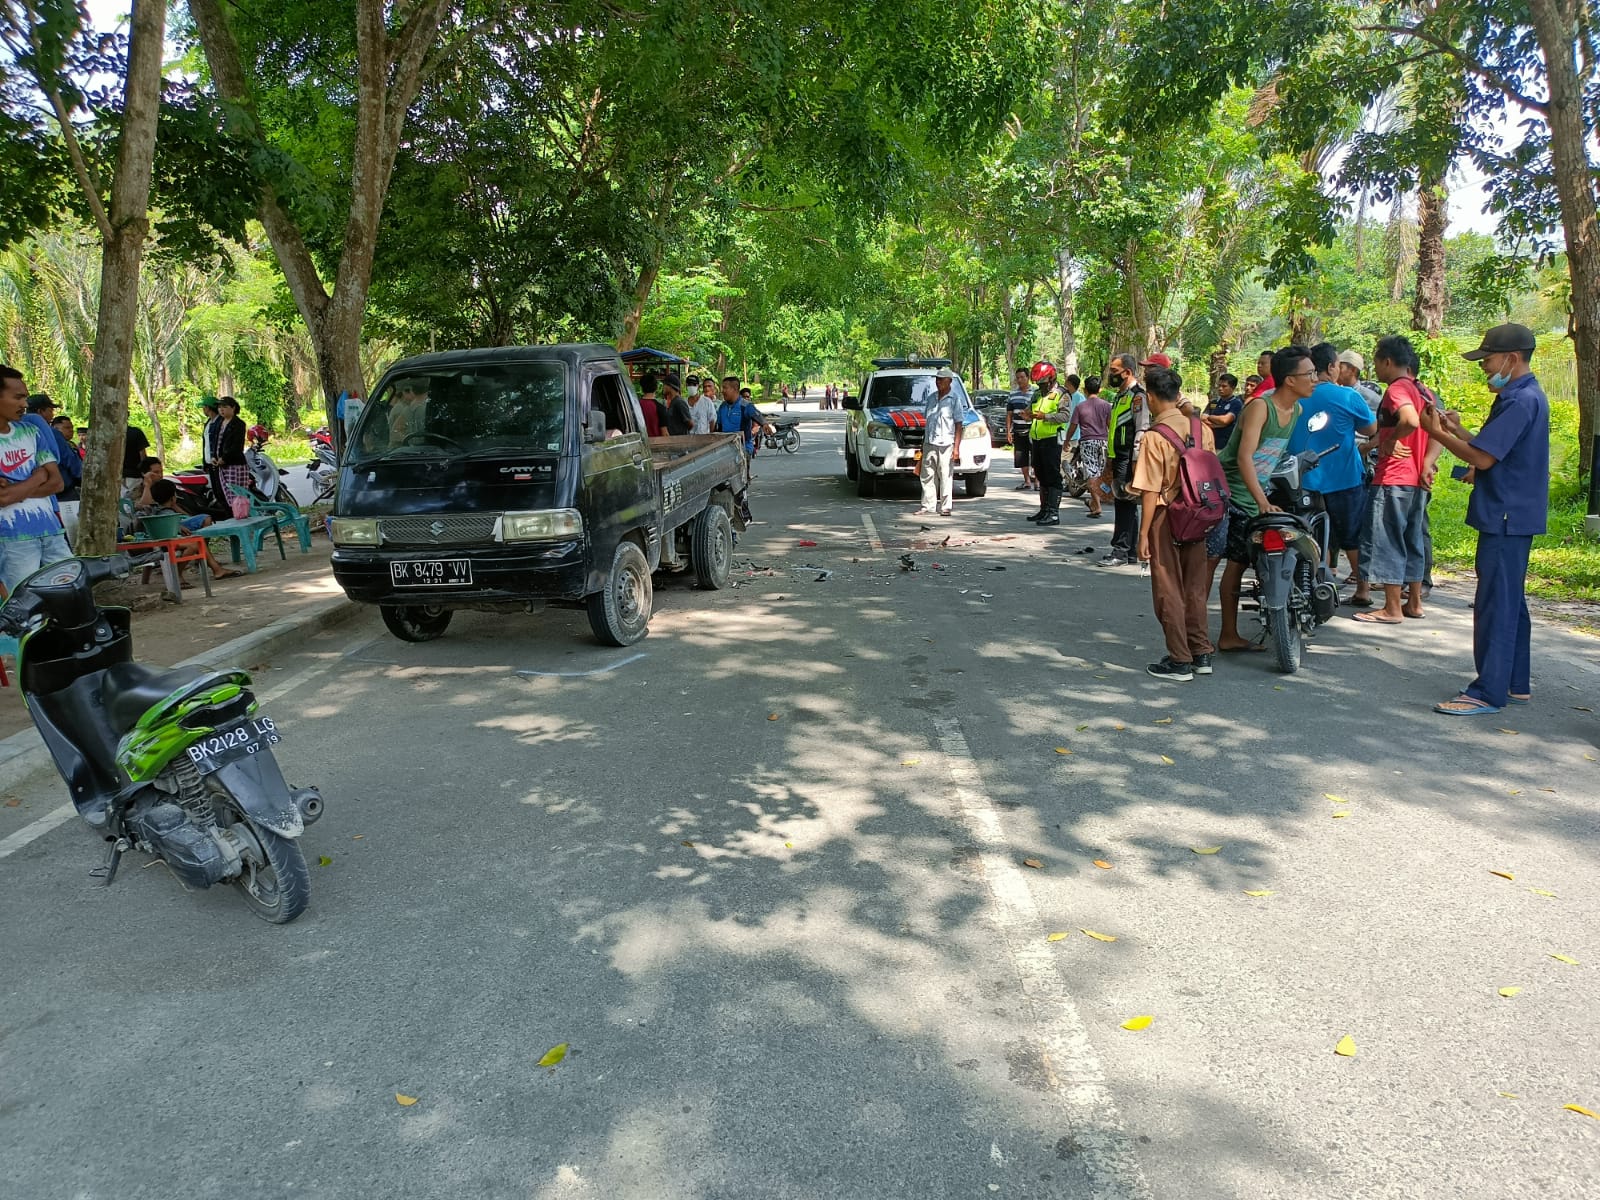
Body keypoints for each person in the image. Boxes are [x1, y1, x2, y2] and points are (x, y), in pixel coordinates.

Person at [1420, 324, 1549, 715]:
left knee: (1495, 601)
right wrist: (1457, 429)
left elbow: (1482, 459)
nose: (1483, 367)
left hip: (1506, 515)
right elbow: (1493, 448)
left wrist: (1436, 435)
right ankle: (1514, 682)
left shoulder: (1519, 401)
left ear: (1511, 359)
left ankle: (1487, 691)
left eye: (1487, 360)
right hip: (1513, 512)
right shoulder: (1521, 395)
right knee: (1511, 600)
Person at [1213, 345, 1310, 652]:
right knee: (1237, 563)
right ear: (1290, 380)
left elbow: (1271, 457)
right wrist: (1262, 501)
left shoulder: (1296, 410)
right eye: (1309, 374)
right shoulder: (1259, 407)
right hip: (1234, 491)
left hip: (1258, 491)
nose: (1314, 379)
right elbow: (1244, 458)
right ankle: (1227, 633)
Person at [1135, 366, 1217, 680]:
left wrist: (1143, 534)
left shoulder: (1155, 437)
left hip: (1166, 516)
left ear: (1152, 397)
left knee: (1168, 588)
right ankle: (1201, 653)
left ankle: (1179, 660)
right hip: (1200, 511)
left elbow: (1150, 488)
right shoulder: (1201, 428)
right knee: (1195, 586)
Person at [1349, 335, 1435, 624]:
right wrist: (1426, 464)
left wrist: (1390, 442)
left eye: (1376, 361)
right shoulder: (1424, 391)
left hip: (1394, 477)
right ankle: (1414, 602)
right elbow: (1440, 431)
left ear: (1387, 361)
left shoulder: (1397, 389)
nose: (1375, 367)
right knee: (1413, 538)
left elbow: (1408, 420)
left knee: (1387, 538)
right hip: (1417, 478)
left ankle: (1391, 607)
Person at [1290, 343, 1378, 588]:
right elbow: (1370, 429)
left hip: (1301, 479)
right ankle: (1362, 589)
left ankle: (1317, 584)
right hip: (1343, 478)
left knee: (1312, 536)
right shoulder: (1348, 396)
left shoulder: (1294, 395)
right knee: (1352, 535)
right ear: (1330, 367)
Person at [0, 364, 68, 593]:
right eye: (18, 397)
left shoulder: (31, 432)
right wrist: (38, 476)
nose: (24, 404)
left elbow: (57, 483)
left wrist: (16, 490)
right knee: (24, 609)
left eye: (26, 398)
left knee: (71, 594)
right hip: (11, 538)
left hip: (52, 531)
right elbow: (2, 498)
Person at [139, 479, 244, 580]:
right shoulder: (167, 514)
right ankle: (179, 574)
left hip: (165, 541)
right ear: (173, 497)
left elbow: (185, 518)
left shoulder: (158, 510)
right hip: (168, 543)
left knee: (198, 537)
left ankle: (216, 569)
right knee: (196, 543)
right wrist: (178, 526)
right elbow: (171, 532)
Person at [1101, 352, 1148, 565]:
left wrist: (1137, 462)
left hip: (1129, 458)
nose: (1111, 375)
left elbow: (1141, 430)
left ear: (1127, 372)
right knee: (1126, 504)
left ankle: (1119, 550)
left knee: (1123, 504)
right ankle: (1129, 551)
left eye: (1114, 371)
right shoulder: (1121, 396)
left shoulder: (1138, 396)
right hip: (1117, 456)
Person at [917, 367, 965, 517]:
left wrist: (956, 447)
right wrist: (923, 445)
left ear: (949, 381)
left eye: (941, 379)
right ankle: (928, 506)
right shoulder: (931, 398)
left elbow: (959, 424)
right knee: (927, 475)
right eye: (937, 379)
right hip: (930, 441)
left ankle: (945, 506)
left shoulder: (955, 399)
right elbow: (928, 422)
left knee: (945, 475)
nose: (938, 382)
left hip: (946, 443)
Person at [1024, 362, 1065, 525]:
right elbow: (1030, 410)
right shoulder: (1037, 394)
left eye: (1043, 383)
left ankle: (1053, 513)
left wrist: (1045, 417)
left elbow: (1064, 416)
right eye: (1038, 383)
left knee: (1052, 476)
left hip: (1052, 440)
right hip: (1037, 440)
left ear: (1051, 378)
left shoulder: (1061, 394)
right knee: (1041, 475)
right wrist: (1027, 414)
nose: (1040, 386)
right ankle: (1044, 510)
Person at [1065, 375, 1110, 518]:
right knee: (1099, 472)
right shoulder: (1106, 406)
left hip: (1087, 442)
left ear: (1085, 390)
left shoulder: (1081, 407)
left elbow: (1073, 426)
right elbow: (1110, 425)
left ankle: (1096, 505)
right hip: (1103, 442)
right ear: (1100, 390)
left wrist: (1066, 440)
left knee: (1091, 473)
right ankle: (1094, 501)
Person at [211, 396, 249, 501]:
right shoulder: (218, 423)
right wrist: (213, 456)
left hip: (234, 465)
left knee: (237, 495)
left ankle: (241, 514)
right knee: (225, 494)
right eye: (219, 407)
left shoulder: (238, 424)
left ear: (233, 408)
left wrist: (224, 458)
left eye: (224, 407)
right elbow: (214, 442)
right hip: (221, 465)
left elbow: (237, 446)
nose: (221, 409)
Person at [717, 377, 769, 455]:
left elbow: (757, 415)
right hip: (726, 450)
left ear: (734, 389)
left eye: (725, 388)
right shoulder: (722, 407)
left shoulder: (745, 406)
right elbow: (719, 428)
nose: (722, 391)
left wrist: (764, 424)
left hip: (743, 449)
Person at [1005, 367, 1036, 490]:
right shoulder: (1012, 394)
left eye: (1022, 377)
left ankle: (1037, 481)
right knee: (1021, 456)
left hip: (1032, 430)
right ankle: (1027, 481)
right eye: (1018, 378)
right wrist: (1009, 431)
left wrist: (1029, 416)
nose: (1020, 380)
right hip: (1018, 429)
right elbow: (1009, 414)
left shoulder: (1035, 393)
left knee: (1035, 456)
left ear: (1028, 378)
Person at [1202, 374, 1243, 450]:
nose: (1220, 388)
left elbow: (1225, 420)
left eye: (1224, 386)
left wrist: (1210, 417)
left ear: (1233, 387)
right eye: (1219, 386)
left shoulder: (1236, 403)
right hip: (1210, 443)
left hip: (1225, 445)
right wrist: (1220, 425)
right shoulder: (1214, 402)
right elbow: (1203, 418)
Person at [636, 372, 665, 437]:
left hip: (640, 443)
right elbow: (664, 433)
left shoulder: (635, 406)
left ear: (642, 387)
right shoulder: (660, 407)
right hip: (656, 444)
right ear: (656, 387)